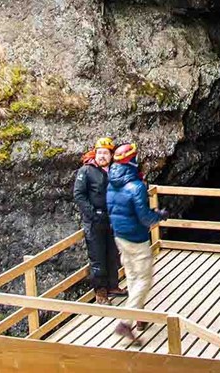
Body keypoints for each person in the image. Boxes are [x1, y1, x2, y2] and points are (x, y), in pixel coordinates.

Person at [106, 142, 168, 343]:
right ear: (131, 160)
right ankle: (126, 322)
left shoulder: (111, 182)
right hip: (136, 238)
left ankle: (139, 317)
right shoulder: (136, 186)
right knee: (144, 279)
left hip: (120, 236)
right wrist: (159, 216)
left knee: (132, 276)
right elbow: (144, 217)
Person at [73, 137, 127, 305]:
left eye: (105, 153)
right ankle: (100, 292)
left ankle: (113, 285)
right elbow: (79, 195)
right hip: (94, 220)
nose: (102, 156)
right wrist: (92, 214)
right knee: (97, 257)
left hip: (112, 219)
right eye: (99, 152)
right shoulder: (86, 171)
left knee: (112, 254)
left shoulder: (115, 170)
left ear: (111, 155)